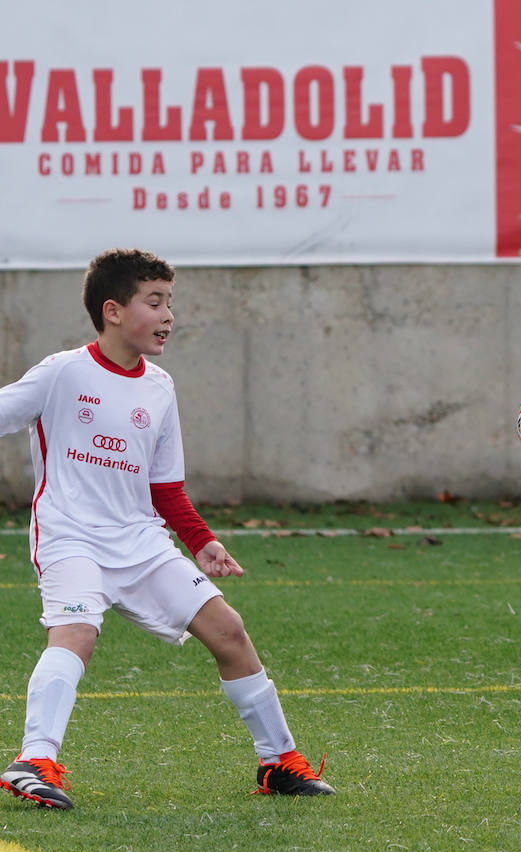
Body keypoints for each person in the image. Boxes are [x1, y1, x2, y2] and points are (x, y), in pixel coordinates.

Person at [0, 249, 334, 810]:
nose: (168, 315)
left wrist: (203, 542)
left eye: (170, 303)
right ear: (112, 311)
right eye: (154, 302)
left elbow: (165, 486)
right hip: (70, 539)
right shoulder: (62, 373)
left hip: (140, 541)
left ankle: (278, 762)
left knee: (228, 630)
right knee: (77, 633)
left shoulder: (159, 386)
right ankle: (35, 759)